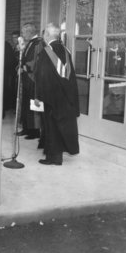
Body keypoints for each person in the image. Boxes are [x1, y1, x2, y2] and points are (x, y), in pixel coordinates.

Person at [34, 23, 79, 165]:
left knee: (51, 127)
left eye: (44, 34)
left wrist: (38, 96)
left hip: (51, 97)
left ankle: (53, 158)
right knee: (61, 126)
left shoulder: (46, 52)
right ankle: (57, 157)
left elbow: (42, 77)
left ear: (47, 35)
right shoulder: (66, 50)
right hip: (66, 96)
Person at [20, 23, 43, 140]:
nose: (23, 35)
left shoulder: (38, 43)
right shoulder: (29, 43)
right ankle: (26, 128)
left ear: (30, 32)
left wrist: (25, 68)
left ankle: (34, 131)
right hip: (26, 78)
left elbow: (37, 61)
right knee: (25, 103)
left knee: (32, 104)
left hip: (33, 78)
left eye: (24, 32)